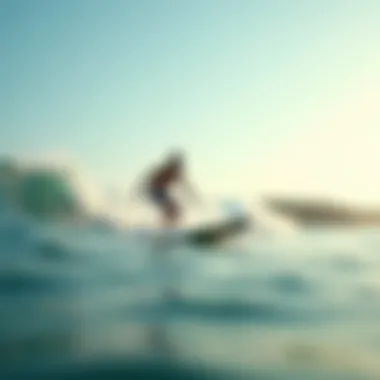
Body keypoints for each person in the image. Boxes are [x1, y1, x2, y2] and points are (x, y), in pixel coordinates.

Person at [132, 151, 198, 228]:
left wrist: (194, 198)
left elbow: (186, 186)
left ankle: (170, 226)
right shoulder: (164, 171)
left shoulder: (175, 173)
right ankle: (165, 227)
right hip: (154, 191)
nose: (178, 168)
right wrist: (140, 192)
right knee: (170, 209)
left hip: (162, 192)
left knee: (175, 210)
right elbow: (148, 181)